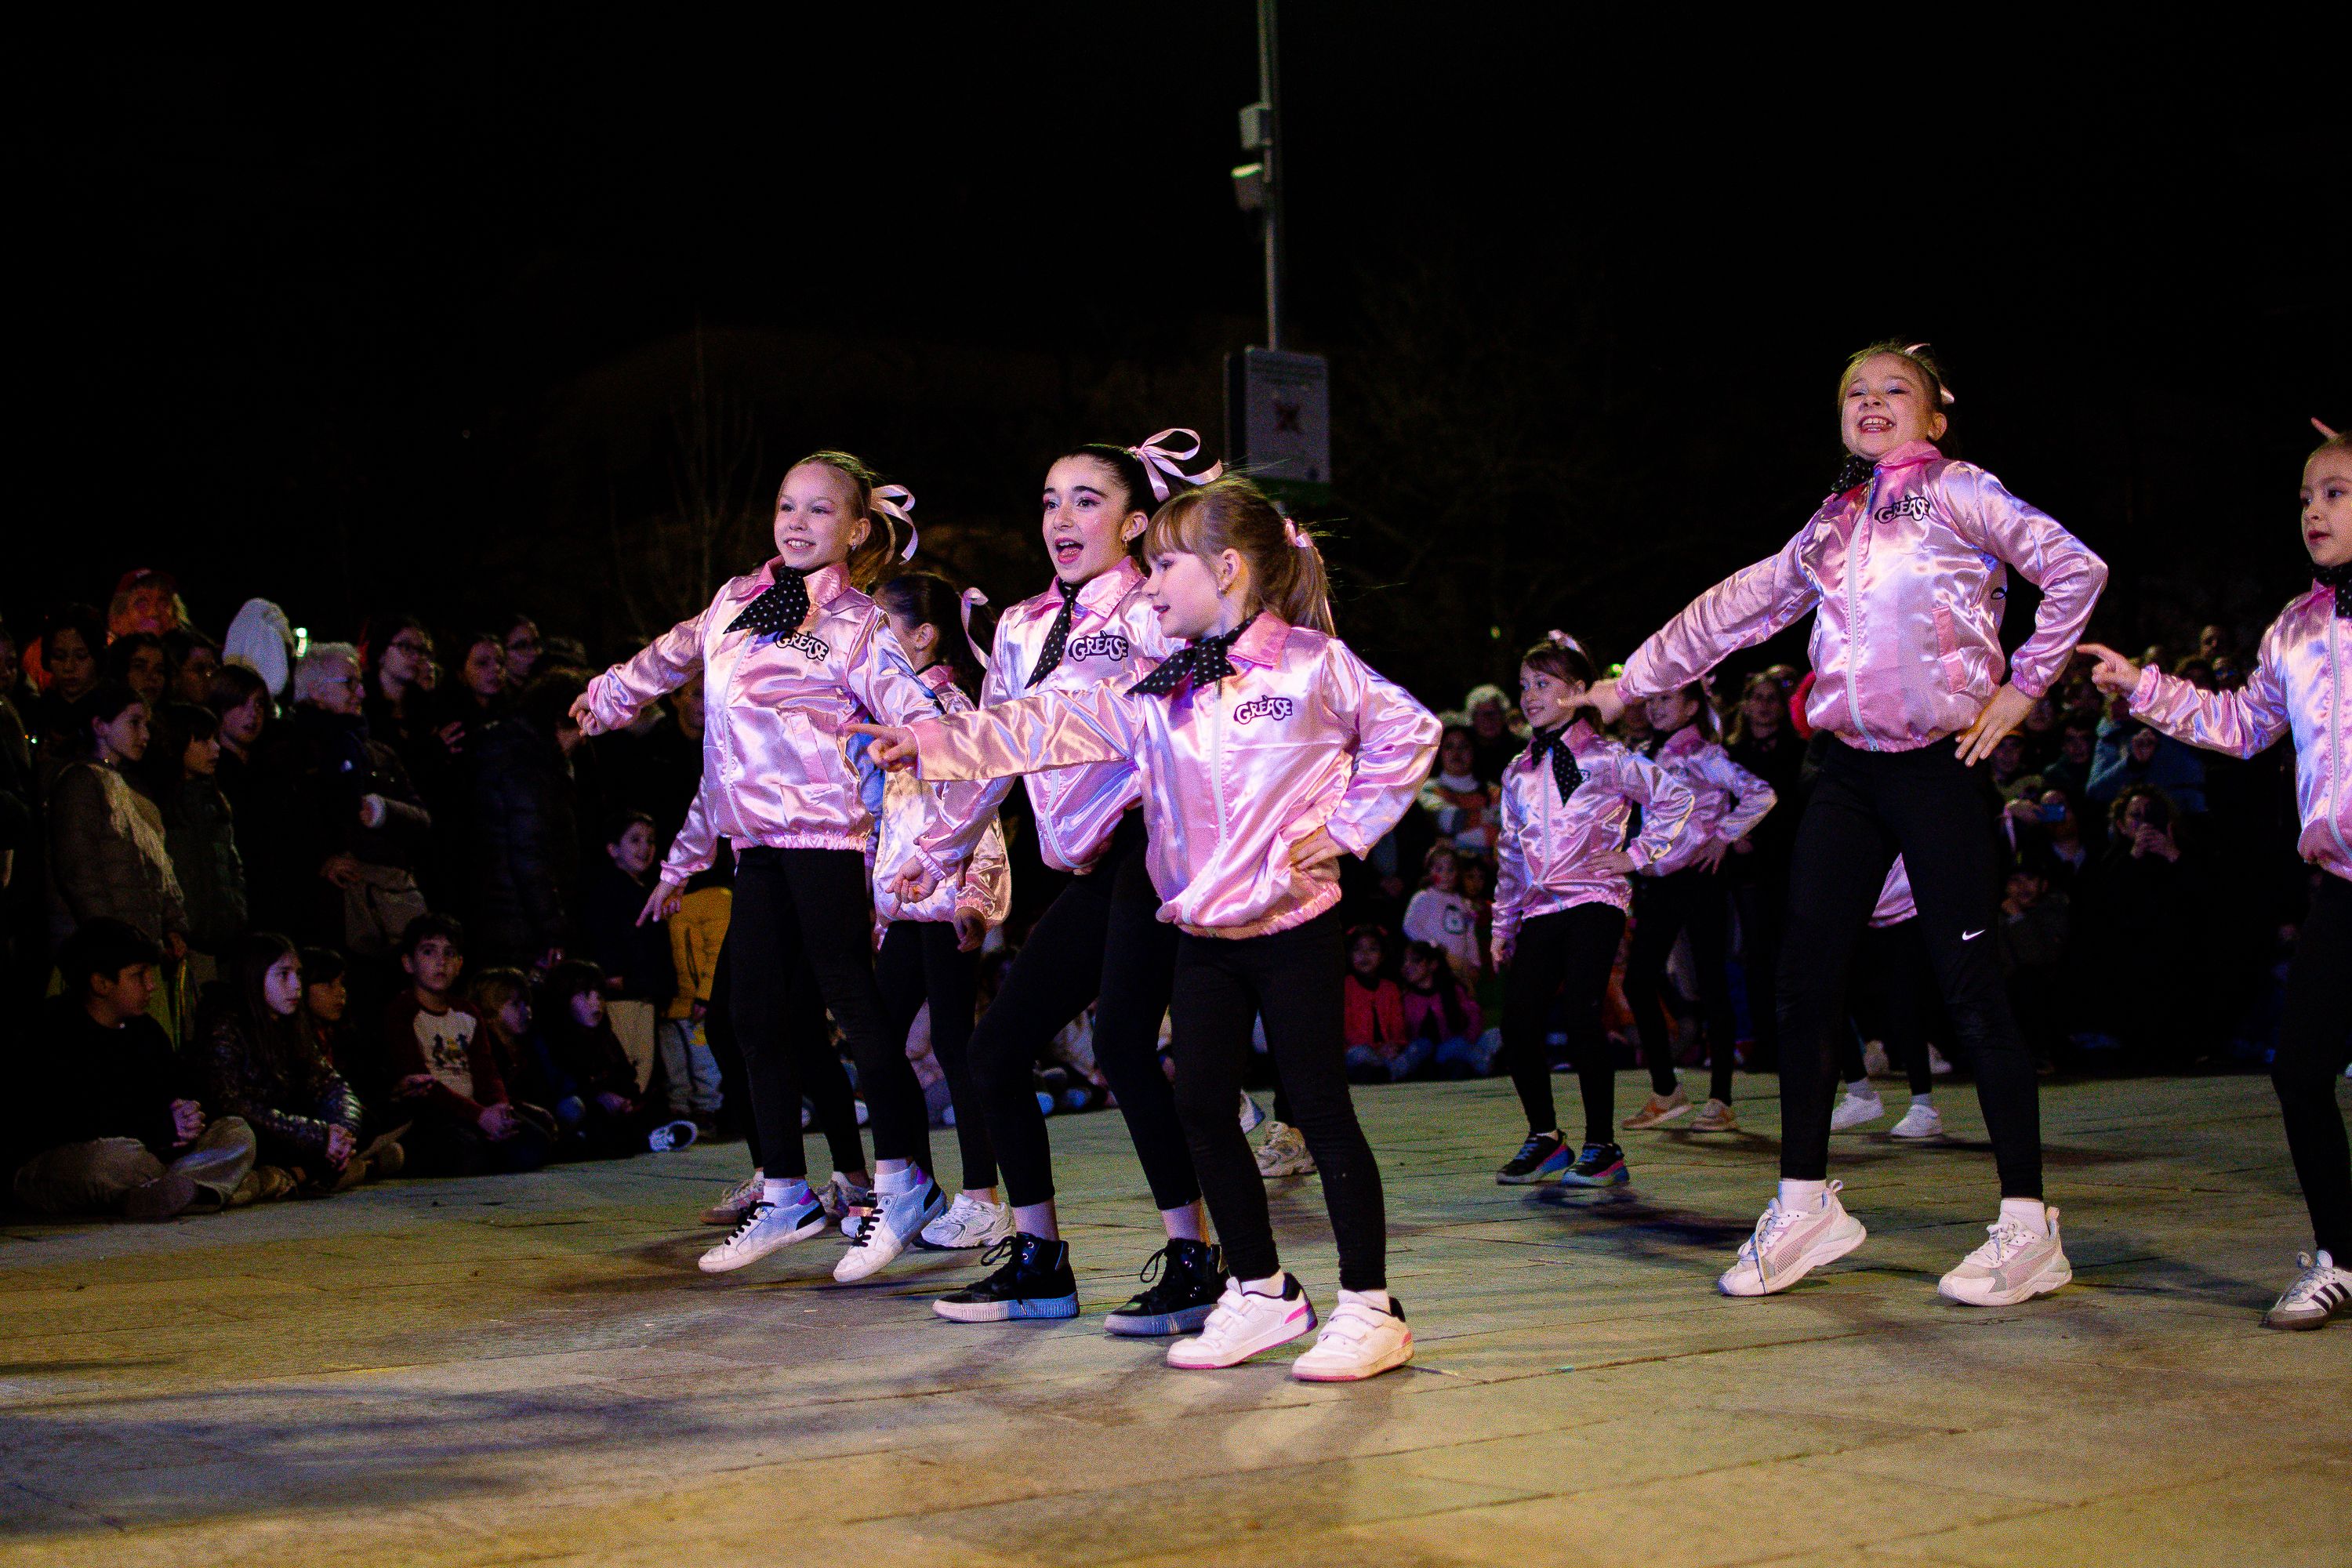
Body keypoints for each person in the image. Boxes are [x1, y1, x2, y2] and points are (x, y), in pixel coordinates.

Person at [862, 474, 1441, 1381]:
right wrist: (933, 744)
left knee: (1322, 1109)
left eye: (1168, 565)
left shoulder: (1310, 664)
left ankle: (1370, 1306)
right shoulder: (1159, 686)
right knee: (1201, 1104)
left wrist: (1346, 829)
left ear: (1229, 569)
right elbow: (1050, 722)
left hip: (1294, 923)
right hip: (1202, 930)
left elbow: (1408, 730)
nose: (1153, 580)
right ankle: (1259, 1288)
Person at [1591, 340, 2107, 1305]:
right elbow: (1740, 604)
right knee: (1801, 978)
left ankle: (2029, 1223)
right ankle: (1804, 1202)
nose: (1872, 401)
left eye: (1894, 389)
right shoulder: (1833, 520)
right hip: (1847, 771)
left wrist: (2025, 685)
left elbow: (2075, 567)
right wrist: (1635, 679)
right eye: (1855, 391)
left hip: (1940, 764)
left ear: (1935, 415)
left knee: (1969, 986)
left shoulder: (1960, 490)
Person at [850, 437, 1226, 1335]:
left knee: (1124, 1043)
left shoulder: (1152, 608)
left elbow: (1088, 722)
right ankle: (1039, 1259)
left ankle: (1196, 1258)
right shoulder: (1020, 626)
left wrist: (940, 745)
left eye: (1088, 499)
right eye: (1052, 498)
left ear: (1134, 523)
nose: (1062, 516)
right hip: (1094, 866)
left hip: (1155, 841)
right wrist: (940, 848)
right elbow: (999, 751)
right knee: (993, 1051)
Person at [574, 452, 979, 1278]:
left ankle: (901, 1182)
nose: (797, 522)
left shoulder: (859, 624)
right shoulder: (735, 600)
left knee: (855, 1011)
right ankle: (787, 1190)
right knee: (754, 1016)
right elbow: (670, 658)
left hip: (825, 839)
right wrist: (610, 695)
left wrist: (919, 756)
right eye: (788, 505)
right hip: (755, 843)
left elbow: (919, 712)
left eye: (819, 510)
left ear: (856, 529)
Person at [2078, 428, 2352, 1328]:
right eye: (2307, 496)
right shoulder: (2297, 626)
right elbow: (2241, 724)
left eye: (2337, 492)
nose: (2314, 510)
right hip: (2341, 888)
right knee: (2301, 1070)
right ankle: (2342, 1254)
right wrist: (2143, 687)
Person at [844, 572, 1015, 1274]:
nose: (868, 639)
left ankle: (983, 1195)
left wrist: (974, 895)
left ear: (923, 636)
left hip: (945, 902)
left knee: (953, 1042)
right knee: (881, 1038)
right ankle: (908, 1186)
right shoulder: (894, 710)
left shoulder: (948, 709)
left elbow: (984, 811)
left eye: (882, 626)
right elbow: (887, 817)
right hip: (905, 904)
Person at [1488, 634, 1695, 1189]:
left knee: (1584, 1011)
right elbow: (1510, 852)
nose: (1530, 695)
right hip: (1539, 906)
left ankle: (1603, 1146)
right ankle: (1546, 1138)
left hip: (1595, 898)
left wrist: (1635, 855)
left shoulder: (1606, 757)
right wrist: (1502, 924)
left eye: (1543, 683)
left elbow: (1675, 798)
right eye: (1525, 685)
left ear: (1578, 691)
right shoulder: (1518, 770)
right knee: (1518, 1022)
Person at [11, 919, 256, 1218]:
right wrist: (161, 1127)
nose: (151, 985)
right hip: (73, 1162)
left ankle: (164, 1192)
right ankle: (194, 1188)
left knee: (235, 1132)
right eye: (139, 975)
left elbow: (180, 1087)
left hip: (152, 1154)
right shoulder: (52, 1030)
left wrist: (191, 1113)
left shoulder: (145, 1031)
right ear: (101, 983)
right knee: (113, 1160)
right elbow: (67, 1121)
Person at [1621, 681, 1776, 1133]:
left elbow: (1761, 793)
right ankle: (1666, 1091)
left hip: (1699, 879)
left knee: (1711, 982)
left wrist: (1724, 835)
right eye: (1652, 699)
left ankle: (1721, 1099)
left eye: (1666, 698)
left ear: (1692, 707)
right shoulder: (1646, 753)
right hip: (1659, 882)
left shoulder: (1703, 754)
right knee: (1638, 980)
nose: (1655, 707)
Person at [245, 644, 433, 952]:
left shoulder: (379, 754)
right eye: (349, 683)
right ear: (316, 691)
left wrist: (383, 811)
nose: (361, 693)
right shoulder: (285, 755)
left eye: (360, 683)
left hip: (386, 909)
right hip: (320, 915)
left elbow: (422, 819)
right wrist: (319, 860)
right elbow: (272, 833)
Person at [194, 933, 385, 1191]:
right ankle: (309, 1172)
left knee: (370, 1116)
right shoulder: (225, 1025)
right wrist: (318, 1136)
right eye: (283, 974)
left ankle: (313, 1168)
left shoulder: (292, 1024)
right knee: (243, 1135)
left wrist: (341, 1130)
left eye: (298, 974)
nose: (296, 985)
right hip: (261, 1131)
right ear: (255, 977)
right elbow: (232, 1104)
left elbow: (330, 1083)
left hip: (292, 1128)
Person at [383, 913, 551, 1176]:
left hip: (477, 1109)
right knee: (465, 1152)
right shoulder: (402, 1011)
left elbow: (487, 1071)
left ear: (460, 963)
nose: (441, 962)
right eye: (429, 952)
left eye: (449, 954)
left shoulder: (468, 1013)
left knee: (536, 1142)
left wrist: (499, 1108)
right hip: (436, 1113)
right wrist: (479, 1117)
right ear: (408, 962)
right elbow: (420, 1084)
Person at [44, 682, 189, 964]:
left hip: (137, 949)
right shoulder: (81, 784)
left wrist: (172, 926)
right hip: (102, 956)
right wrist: (113, 942)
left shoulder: (131, 789)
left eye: (146, 725)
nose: (145, 735)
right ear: (100, 726)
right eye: (134, 723)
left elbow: (158, 869)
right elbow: (81, 873)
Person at [469, 670, 590, 969]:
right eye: (583, 725)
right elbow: (529, 853)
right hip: (518, 922)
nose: (585, 738)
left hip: (510, 914)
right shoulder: (526, 768)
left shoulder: (516, 756)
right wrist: (552, 928)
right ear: (561, 720)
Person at [538, 959, 681, 1157]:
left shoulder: (603, 1033)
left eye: (599, 995)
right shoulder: (552, 1036)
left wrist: (626, 1099)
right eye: (585, 996)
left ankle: (649, 1136)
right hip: (578, 1107)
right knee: (591, 1118)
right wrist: (598, 1095)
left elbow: (624, 1073)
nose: (596, 1003)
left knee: (655, 1108)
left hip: (609, 1108)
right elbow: (558, 1084)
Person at [153, 702, 247, 960]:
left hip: (223, 939)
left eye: (214, 739)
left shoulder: (214, 801)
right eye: (203, 740)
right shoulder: (159, 804)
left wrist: (237, 912)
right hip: (181, 943)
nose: (216, 748)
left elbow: (232, 865)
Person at [1400, 939, 1499, 1076]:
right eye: (1405, 961)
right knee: (1425, 1046)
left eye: (1415, 960)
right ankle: (1487, 1066)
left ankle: (1484, 1062)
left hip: (1458, 1047)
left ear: (1433, 965)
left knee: (1495, 1034)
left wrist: (1468, 1039)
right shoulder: (1406, 998)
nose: (1407, 966)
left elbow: (1474, 1017)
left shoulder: (1452, 991)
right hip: (1426, 1055)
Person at [1341, 924, 1417, 1083]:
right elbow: (1347, 1031)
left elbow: (1398, 1026)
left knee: (1421, 1047)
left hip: (1388, 1052)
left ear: (1382, 956)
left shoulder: (1390, 988)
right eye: (1358, 949)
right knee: (1360, 1054)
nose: (1365, 955)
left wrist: (1395, 1045)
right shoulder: (1344, 986)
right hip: (1359, 1050)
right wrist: (1376, 1048)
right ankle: (1389, 1072)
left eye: (1372, 949)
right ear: (1349, 955)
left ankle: (1386, 1072)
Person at [1400, 843, 1482, 981]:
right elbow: (1410, 926)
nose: (1445, 875)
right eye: (1439, 869)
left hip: (1460, 968)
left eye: (1451, 869)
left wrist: (1474, 962)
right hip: (1432, 967)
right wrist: (1434, 946)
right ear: (1429, 871)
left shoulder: (1464, 903)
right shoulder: (1424, 897)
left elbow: (1469, 935)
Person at [1416, 723, 1500, 857]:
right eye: (1449, 747)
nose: (1456, 753)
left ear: (1474, 750)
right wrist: (1489, 817)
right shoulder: (1426, 789)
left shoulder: (1494, 792)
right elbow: (1448, 821)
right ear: (1439, 752)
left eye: (1464, 746)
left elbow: (1498, 835)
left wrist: (1453, 842)